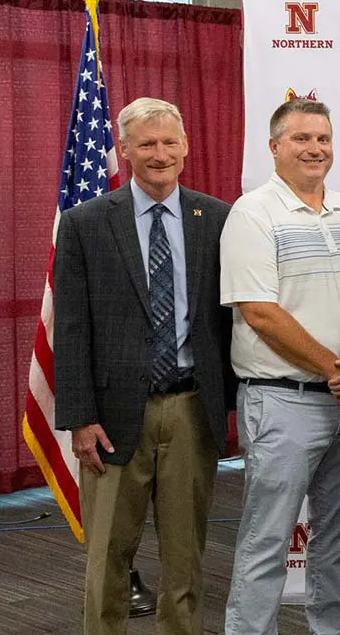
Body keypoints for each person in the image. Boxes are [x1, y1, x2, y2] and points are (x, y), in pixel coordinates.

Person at [54, 97, 233, 635]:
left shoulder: (217, 219)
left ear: (186, 147)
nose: (160, 154)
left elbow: (229, 320)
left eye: (169, 142)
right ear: (125, 149)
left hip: (191, 410)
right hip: (110, 419)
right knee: (108, 556)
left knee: (186, 558)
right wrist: (79, 418)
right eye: (147, 143)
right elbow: (72, 327)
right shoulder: (85, 223)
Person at [221, 99, 340, 635]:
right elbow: (259, 312)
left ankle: (332, 628)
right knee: (267, 538)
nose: (315, 149)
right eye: (301, 139)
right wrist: (334, 366)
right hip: (283, 400)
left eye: (323, 139)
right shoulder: (252, 214)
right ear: (274, 147)